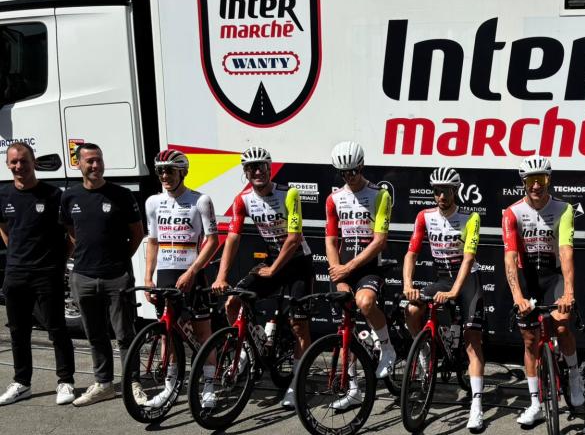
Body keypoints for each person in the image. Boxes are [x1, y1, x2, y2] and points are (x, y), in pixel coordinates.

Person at [212, 146, 313, 409]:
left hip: (297, 263)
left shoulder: (289, 194)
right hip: (272, 261)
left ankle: (296, 384)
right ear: (245, 172)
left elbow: (294, 238)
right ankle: (249, 347)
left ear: (269, 168)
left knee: (299, 326)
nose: (256, 171)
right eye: (251, 167)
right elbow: (232, 238)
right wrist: (221, 276)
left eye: (261, 166)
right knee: (233, 302)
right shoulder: (242, 199)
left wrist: (274, 269)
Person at [502, 156, 584, 428]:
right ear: (523, 183)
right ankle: (535, 403)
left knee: (561, 326)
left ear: (549, 180)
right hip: (529, 280)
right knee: (529, 341)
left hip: (553, 276)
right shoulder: (512, 213)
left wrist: (569, 292)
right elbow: (510, 257)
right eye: (531, 180)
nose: (536, 185)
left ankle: (574, 375)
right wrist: (518, 297)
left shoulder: (564, 209)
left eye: (542, 179)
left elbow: (566, 251)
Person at [60, 143, 145, 407]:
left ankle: (132, 382)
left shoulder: (121, 195)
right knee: (95, 335)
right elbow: (72, 233)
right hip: (83, 277)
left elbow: (138, 233)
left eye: (98, 160)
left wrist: (119, 260)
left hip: (116, 276)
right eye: (89, 161)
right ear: (78, 164)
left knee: (124, 334)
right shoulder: (70, 197)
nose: (95, 165)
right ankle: (104, 384)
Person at [404, 167, 487, 430]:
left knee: (472, 341)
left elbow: (469, 258)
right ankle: (425, 352)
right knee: (412, 310)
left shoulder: (470, 217)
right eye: (437, 191)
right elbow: (411, 254)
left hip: (467, 280)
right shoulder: (424, 216)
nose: (441, 196)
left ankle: (476, 406)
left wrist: (454, 292)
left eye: (447, 191)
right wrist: (408, 284)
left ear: (455, 191)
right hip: (442, 278)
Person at [141, 149, 220, 409]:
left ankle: (209, 385)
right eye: (160, 171)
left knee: (202, 331)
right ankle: (170, 386)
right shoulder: (153, 202)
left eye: (170, 171)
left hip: (192, 273)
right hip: (165, 273)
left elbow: (212, 241)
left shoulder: (200, 200)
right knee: (168, 334)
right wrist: (148, 277)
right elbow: (153, 242)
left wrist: (192, 271)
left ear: (183, 172)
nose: (164, 176)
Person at [0, 142, 76, 406]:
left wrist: (58, 261)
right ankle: (22, 383)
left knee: (57, 329)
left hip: (47, 273)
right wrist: (16, 253)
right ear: (7, 164)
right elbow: (5, 229)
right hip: (15, 274)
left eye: (24, 160)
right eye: (14, 162)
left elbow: (71, 235)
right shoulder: (3, 195)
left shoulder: (54, 195)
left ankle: (65, 381)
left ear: (34, 162)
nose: (19, 166)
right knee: (18, 331)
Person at [323, 141, 396, 379]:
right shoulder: (334, 198)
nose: (349, 176)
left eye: (353, 171)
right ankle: (352, 386)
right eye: (343, 173)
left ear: (362, 166)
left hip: (368, 266)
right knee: (345, 326)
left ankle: (387, 348)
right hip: (342, 266)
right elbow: (331, 240)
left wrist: (348, 268)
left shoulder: (380, 195)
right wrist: (337, 270)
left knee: (365, 303)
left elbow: (380, 241)